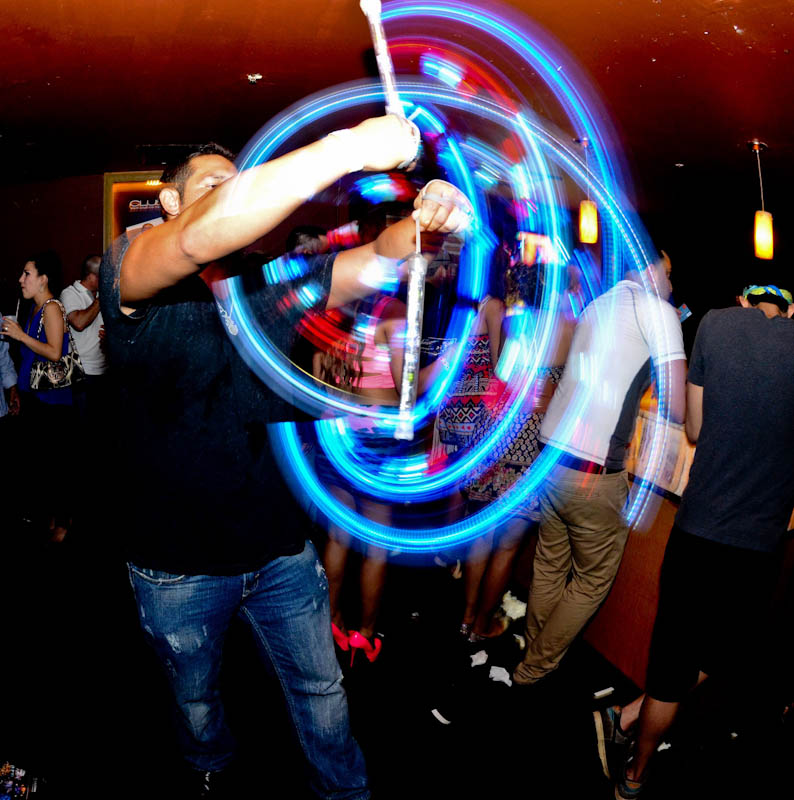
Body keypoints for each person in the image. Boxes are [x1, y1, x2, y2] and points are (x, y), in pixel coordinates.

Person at [99, 117, 471, 798]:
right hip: (177, 562)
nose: (235, 197)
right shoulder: (132, 264)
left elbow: (378, 258)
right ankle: (210, 769)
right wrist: (348, 148)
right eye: (213, 187)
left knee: (322, 692)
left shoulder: (271, 283)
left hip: (278, 549)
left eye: (241, 186)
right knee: (197, 697)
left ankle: (345, 791)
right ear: (172, 201)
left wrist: (427, 222)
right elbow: (195, 238)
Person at [598, 284, 794, 799]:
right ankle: (628, 720)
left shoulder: (716, 323)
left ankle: (634, 771)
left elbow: (696, 428)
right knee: (725, 650)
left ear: (744, 300)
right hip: (762, 541)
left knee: (673, 661)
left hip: (701, 527)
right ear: (791, 309)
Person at [512, 252, 686, 688]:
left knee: (550, 563)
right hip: (591, 469)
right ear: (647, 269)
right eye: (667, 273)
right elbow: (680, 408)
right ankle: (535, 669)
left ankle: (533, 651)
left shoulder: (597, 303)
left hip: (550, 455)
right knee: (592, 579)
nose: (671, 283)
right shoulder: (658, 310)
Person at [2, 251, 74, 541]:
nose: (21, 279)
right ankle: (53, 518)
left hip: (53, 401)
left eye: (27, 274)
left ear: (43, 279)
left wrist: (20, 336)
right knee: (43, 463)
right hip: (36, 396)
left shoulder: (52, 308)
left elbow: (55, 352)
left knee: (56, 463)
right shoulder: (34, 308)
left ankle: (63, 524)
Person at [60, 254, 107, 419]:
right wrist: (101, 299)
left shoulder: (99, 294)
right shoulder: (69, 293)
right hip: (81, 369)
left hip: (103, 368)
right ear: (92, 276)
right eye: (104, 276)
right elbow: (79, 323)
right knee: (82, 424)